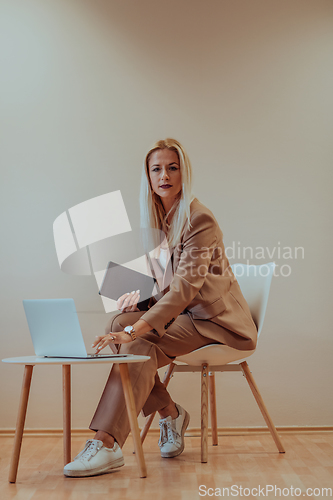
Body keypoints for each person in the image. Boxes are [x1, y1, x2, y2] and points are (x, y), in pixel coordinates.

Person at [63, 138, 258, 477]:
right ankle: (170, 412)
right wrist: (136, 301)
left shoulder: (200, 219)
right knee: (117, 321)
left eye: (172, 167)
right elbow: (165, 283)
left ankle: (106, 442)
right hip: (188, 315)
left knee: (136, 342)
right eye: (157, 169)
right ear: (148, 177)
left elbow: (184, 289)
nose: (164, 175)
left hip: (215, 323)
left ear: (184, 172)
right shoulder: (161, 220)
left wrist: (134, 330)